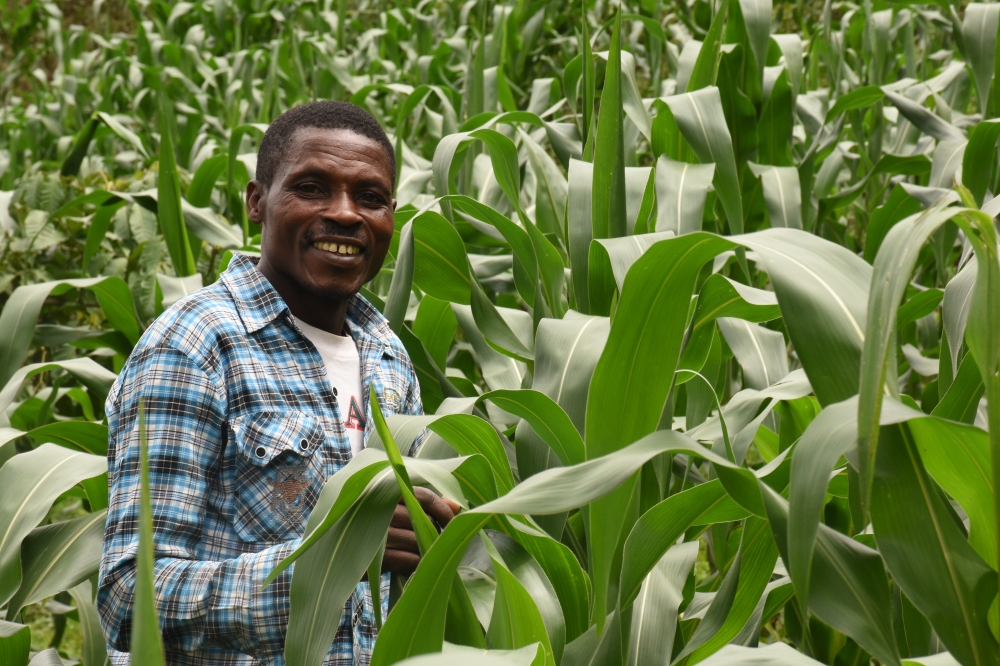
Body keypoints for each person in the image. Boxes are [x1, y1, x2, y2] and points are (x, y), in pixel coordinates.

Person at [98, 100, 456, 665]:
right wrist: (332, 559)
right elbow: (129, 597)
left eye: (370, 198)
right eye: (312, 188)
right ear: (256, 203)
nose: (345, 214)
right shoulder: (194, 347)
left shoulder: (388, 357)